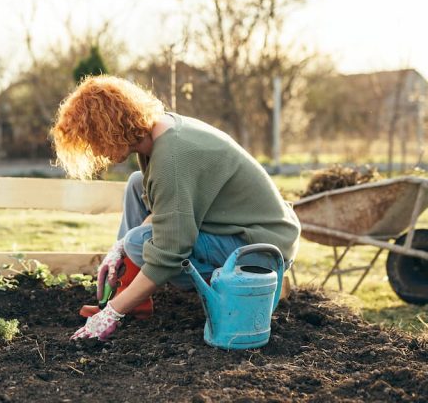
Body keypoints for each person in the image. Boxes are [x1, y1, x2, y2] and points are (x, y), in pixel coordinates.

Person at [50, 75, 301, 341]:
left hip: (261, 250)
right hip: (244, 230)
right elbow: (166, 207)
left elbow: (171, 252)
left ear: (111, 127)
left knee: (140, 242)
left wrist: (111, 313)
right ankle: (132, 296)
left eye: (95, 140)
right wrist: (118, 248)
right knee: (137, 185)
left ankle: (130, 302)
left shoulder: (172, 158)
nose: (97, 152)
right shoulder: (161, 132)